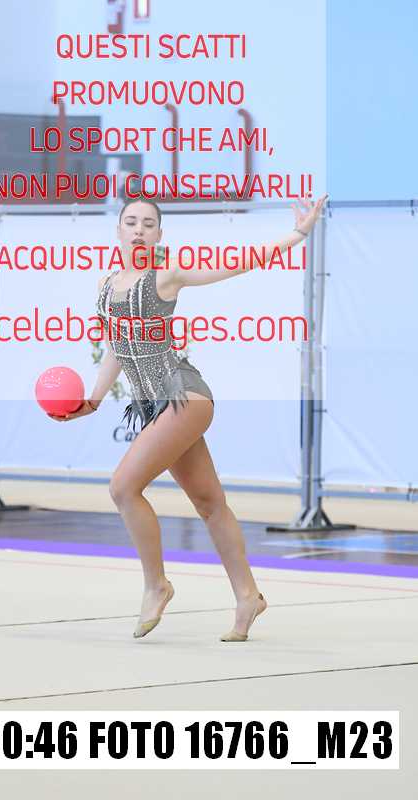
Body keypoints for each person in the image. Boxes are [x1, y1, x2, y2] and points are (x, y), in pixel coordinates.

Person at [49, 194, 328, 640]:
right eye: (131, 222)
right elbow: (116, 350)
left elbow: (235, 264)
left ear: (160, 235)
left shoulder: (166, 275)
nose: (139, 230)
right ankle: (248, 596)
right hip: (153, 407)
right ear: (118, 230)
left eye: (148, 224)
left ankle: (156, 585)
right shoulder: (105, 286)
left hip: (183, 394)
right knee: (208, 502)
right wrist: (94, 401)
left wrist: (296, 234)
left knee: (123, 487)